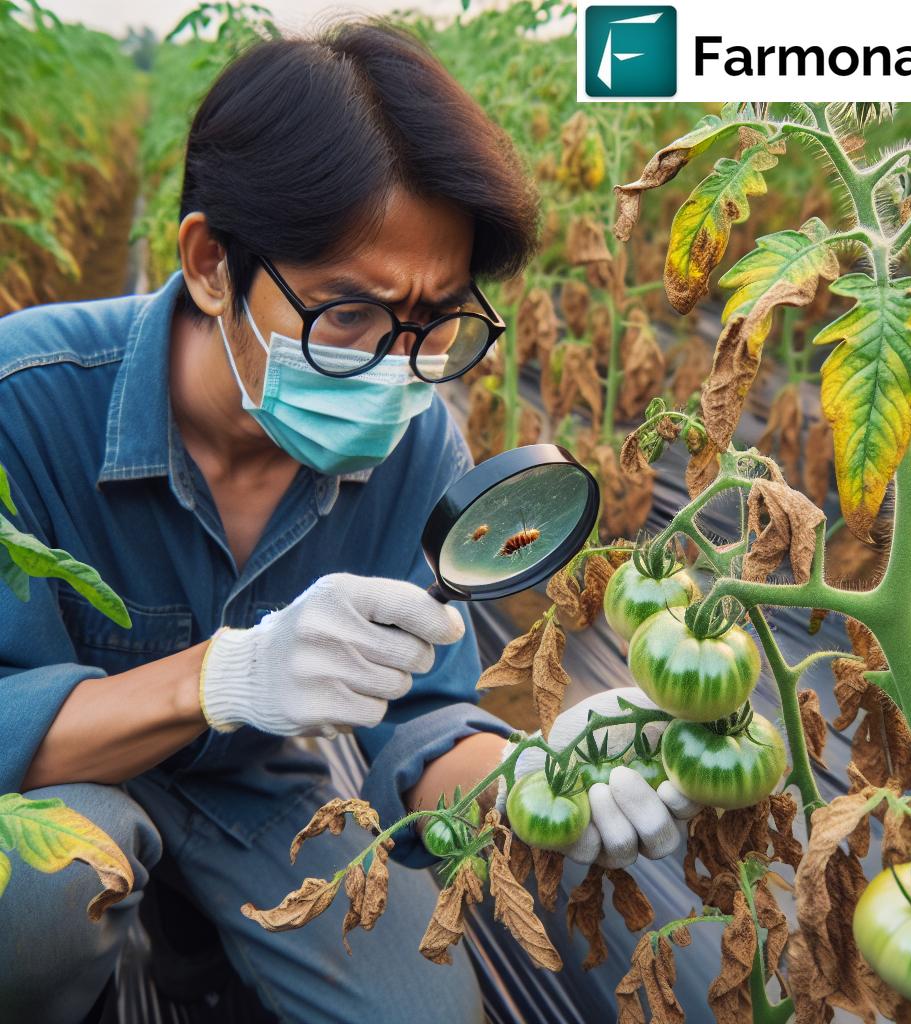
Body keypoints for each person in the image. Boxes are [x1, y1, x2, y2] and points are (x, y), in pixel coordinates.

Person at [0, 19, 694, 1024]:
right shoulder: (24, 402)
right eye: (349, 314)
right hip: (55, 789)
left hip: (246, 788)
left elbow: (422, 721)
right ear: (208, 263)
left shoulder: (417, 446)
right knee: (40, 901)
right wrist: (225, 675)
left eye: (435, 319)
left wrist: (531, 777)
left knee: (420, 1006)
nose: (394, 365)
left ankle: (198, 933)